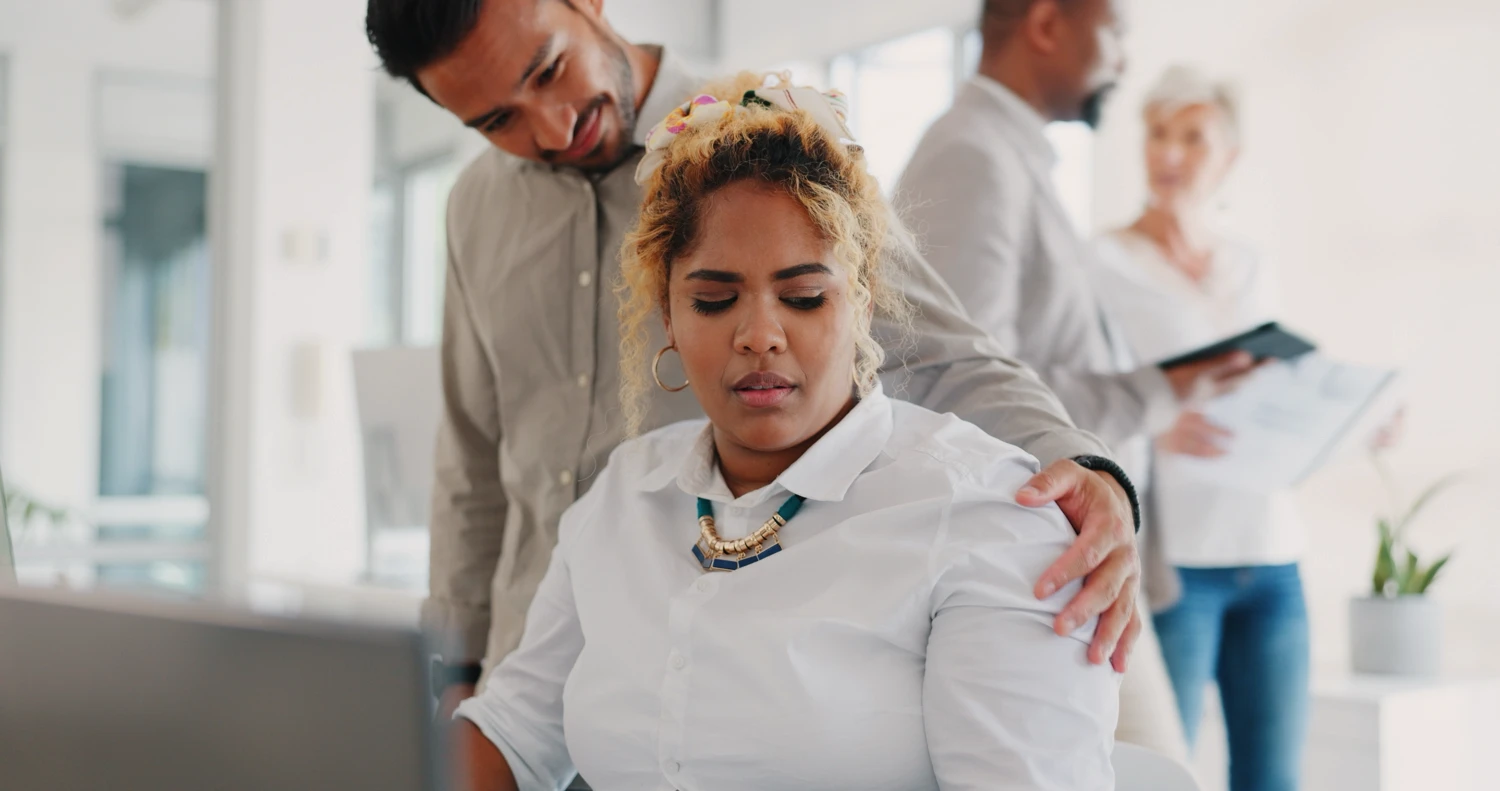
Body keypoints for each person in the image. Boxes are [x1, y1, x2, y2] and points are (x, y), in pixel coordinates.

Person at [363, 0, 1150, 715]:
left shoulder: (760, 142)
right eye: (496, 118)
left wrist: (1088, 468)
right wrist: (457, 670)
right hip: (525, 687)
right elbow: (473, 457)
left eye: (548, 70)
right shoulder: (473, 207)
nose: (547, 129)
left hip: (708, 687)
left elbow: (947, 356)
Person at [894, 0, 1255, 762]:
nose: (1122, 60)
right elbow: (962, 377)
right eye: (1116, 32)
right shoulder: (973, 155)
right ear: (1049, 25)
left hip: (1080, 553)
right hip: (1051, 560)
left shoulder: (1009, 152)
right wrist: (1161, 389)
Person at [1088, 65, 1306, 791]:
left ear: (1229, 157)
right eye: (1157, 134)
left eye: (1192, 137)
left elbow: (1275, 388)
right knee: (1161, 773)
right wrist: (1155, 424)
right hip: (1176, 566)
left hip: (1272, 554)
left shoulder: (1252, 263)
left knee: (1272, 778)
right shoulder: (1103, 260)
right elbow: (1083, 393)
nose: (1170, 153)